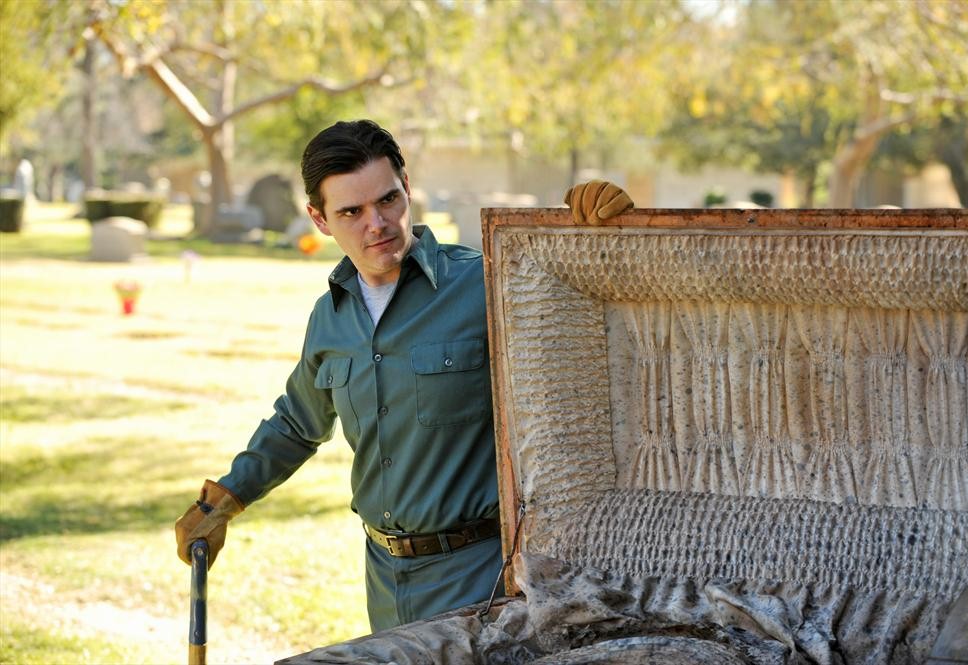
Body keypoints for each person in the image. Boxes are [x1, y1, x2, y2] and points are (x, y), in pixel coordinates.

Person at [174, 119, 633, 632]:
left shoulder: (491, 282)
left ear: (407, 189)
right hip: (384, 577)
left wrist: (595, 232)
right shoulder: (330, 320)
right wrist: (225, 501)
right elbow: (297, 424)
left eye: (388, 200)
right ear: (319, 219)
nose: (378, 223)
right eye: (352, 211)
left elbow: (593, 323)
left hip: (483, 575)